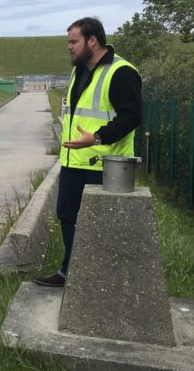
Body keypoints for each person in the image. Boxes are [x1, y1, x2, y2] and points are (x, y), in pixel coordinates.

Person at [34, 17, 142, 288]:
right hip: (73, 160)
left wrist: (96, 137)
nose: (69, 47)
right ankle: (70, 271)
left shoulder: (121, 72)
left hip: (105, 164)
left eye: (73, 41)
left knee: (98, 223)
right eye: (68, 42)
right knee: (67, 215)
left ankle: (99, 279)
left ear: (92, 40)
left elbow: (132, 116)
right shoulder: (78, 70)